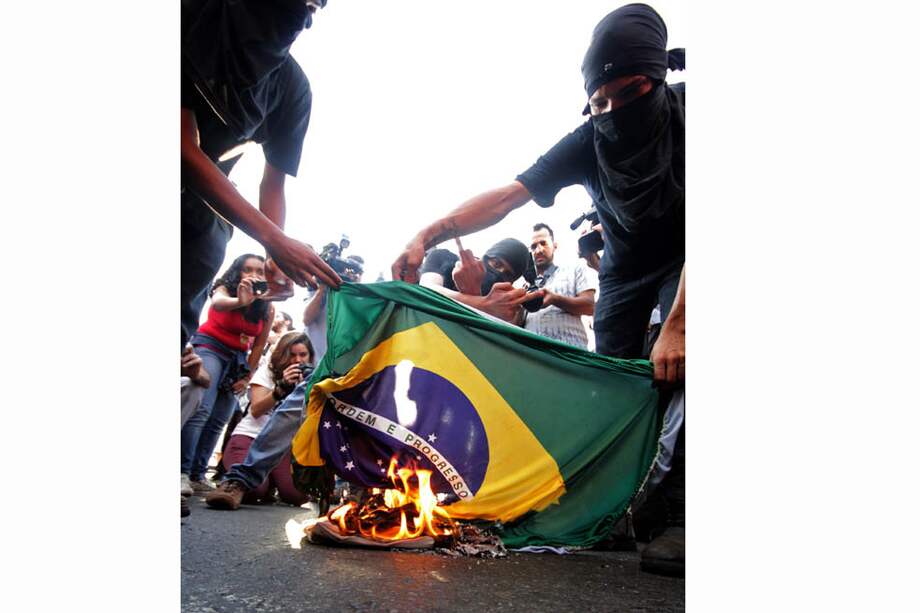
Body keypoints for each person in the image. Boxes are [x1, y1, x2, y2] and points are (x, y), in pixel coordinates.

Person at [390, 4, 685, 575]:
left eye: (630, 93)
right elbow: (507, 197)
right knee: (612, 383)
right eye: (599, 103)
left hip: (689, 253)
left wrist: (678, 323)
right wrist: (429, 232)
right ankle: (610, 509)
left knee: (684, 367)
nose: (614, 112)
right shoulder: (587, 141)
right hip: (624, 267)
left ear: (659, 76)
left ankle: (682, 513)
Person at [181, 0, 341, 352]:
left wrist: (274, 256)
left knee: (207, 244)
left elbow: (273, 183)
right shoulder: (195, 16)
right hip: (186, 167)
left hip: (206, 203)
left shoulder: (292, 89)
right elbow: (182, 147)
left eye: (311, 7)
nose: (299, 18)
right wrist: (273, 238)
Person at [181, 254, 274, 496]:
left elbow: (258, 345)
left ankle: (198, 474)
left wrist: (246, 377)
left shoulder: (267, 306)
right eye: (247, 269)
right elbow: (218, 304)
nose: (253, 275)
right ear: (237, 272)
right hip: (210, 347)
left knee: (220, 417)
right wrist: (240, 301)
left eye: (260, 271)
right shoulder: (224, 289)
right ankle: (182, 471)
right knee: (202, 408)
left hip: (238, 359)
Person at [218, 331, 314, 506]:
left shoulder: (312, 378)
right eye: (292, 355)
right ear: (282, 355)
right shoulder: (268, 371)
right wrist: (281, 388)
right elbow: (256, 410)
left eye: (303, 355)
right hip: (250, 437)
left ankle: (271, 480)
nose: (298, 360)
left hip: (281, 446)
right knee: (254, 490)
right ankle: (234, 476)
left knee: (297, 495)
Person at [419, 238, 541, 322]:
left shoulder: (500, 303)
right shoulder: (443, 258)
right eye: (496, 264)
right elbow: (427, 290)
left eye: (508, 274)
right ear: (486, 257)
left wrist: (474, 294)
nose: (499, 273)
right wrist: (481, 304)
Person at [520, 223, 597, 348]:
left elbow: (590, 306)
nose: (538, 250)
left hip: (569, 354)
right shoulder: (524, 287)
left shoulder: (574, 270)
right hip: (532, 354)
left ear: (554, 245)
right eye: (533, 247)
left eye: (543, 243)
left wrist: (555, 299)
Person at [303, 255, 364, 364]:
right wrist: (324, 285)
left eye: (357, 272)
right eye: (347, 270)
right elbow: (307, 319)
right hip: (317, 364)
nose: (351, 275)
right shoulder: (318, 291)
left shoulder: (362, 300)